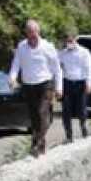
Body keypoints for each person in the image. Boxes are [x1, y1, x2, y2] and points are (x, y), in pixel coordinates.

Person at [7, 19, 62, 156]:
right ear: (26, 33)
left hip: (45, 83)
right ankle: (40, 146)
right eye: (29, 33)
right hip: (29, 84)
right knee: (33, 116)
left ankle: (36, 142)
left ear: (38, 32)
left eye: (34, 32)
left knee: (41, 111)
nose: (32, 35)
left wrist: (59, 87)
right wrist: (12, 77)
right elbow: (16, 64)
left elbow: (57, 69)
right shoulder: (21, 47)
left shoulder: (48, 47)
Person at [58, 30, 91, 142]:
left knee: (81, 109)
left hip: (80, 83)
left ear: (75, 39)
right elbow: (58, 68)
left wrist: (88, 83)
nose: (69, 43)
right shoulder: (62, 53)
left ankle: (84, 130)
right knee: (66, 110)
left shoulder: (84, 52)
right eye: (67, 41)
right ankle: (69, 135)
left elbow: (88, 69)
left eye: (70, 40)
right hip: (67, 83)